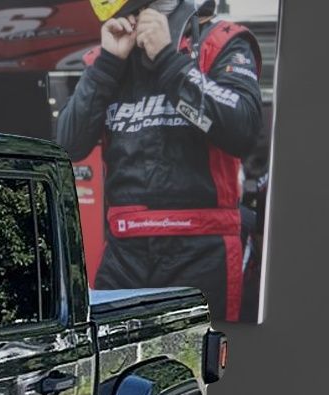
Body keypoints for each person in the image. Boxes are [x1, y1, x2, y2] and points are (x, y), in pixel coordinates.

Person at [58, 0, 263, 321]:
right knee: (112, 364)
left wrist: (169, 60)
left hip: (202, 252)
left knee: (205, 365)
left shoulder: (220, 41)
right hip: (125, 253)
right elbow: (67, 147)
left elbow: (243, 131)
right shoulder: (109, 57)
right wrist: (107, 65)